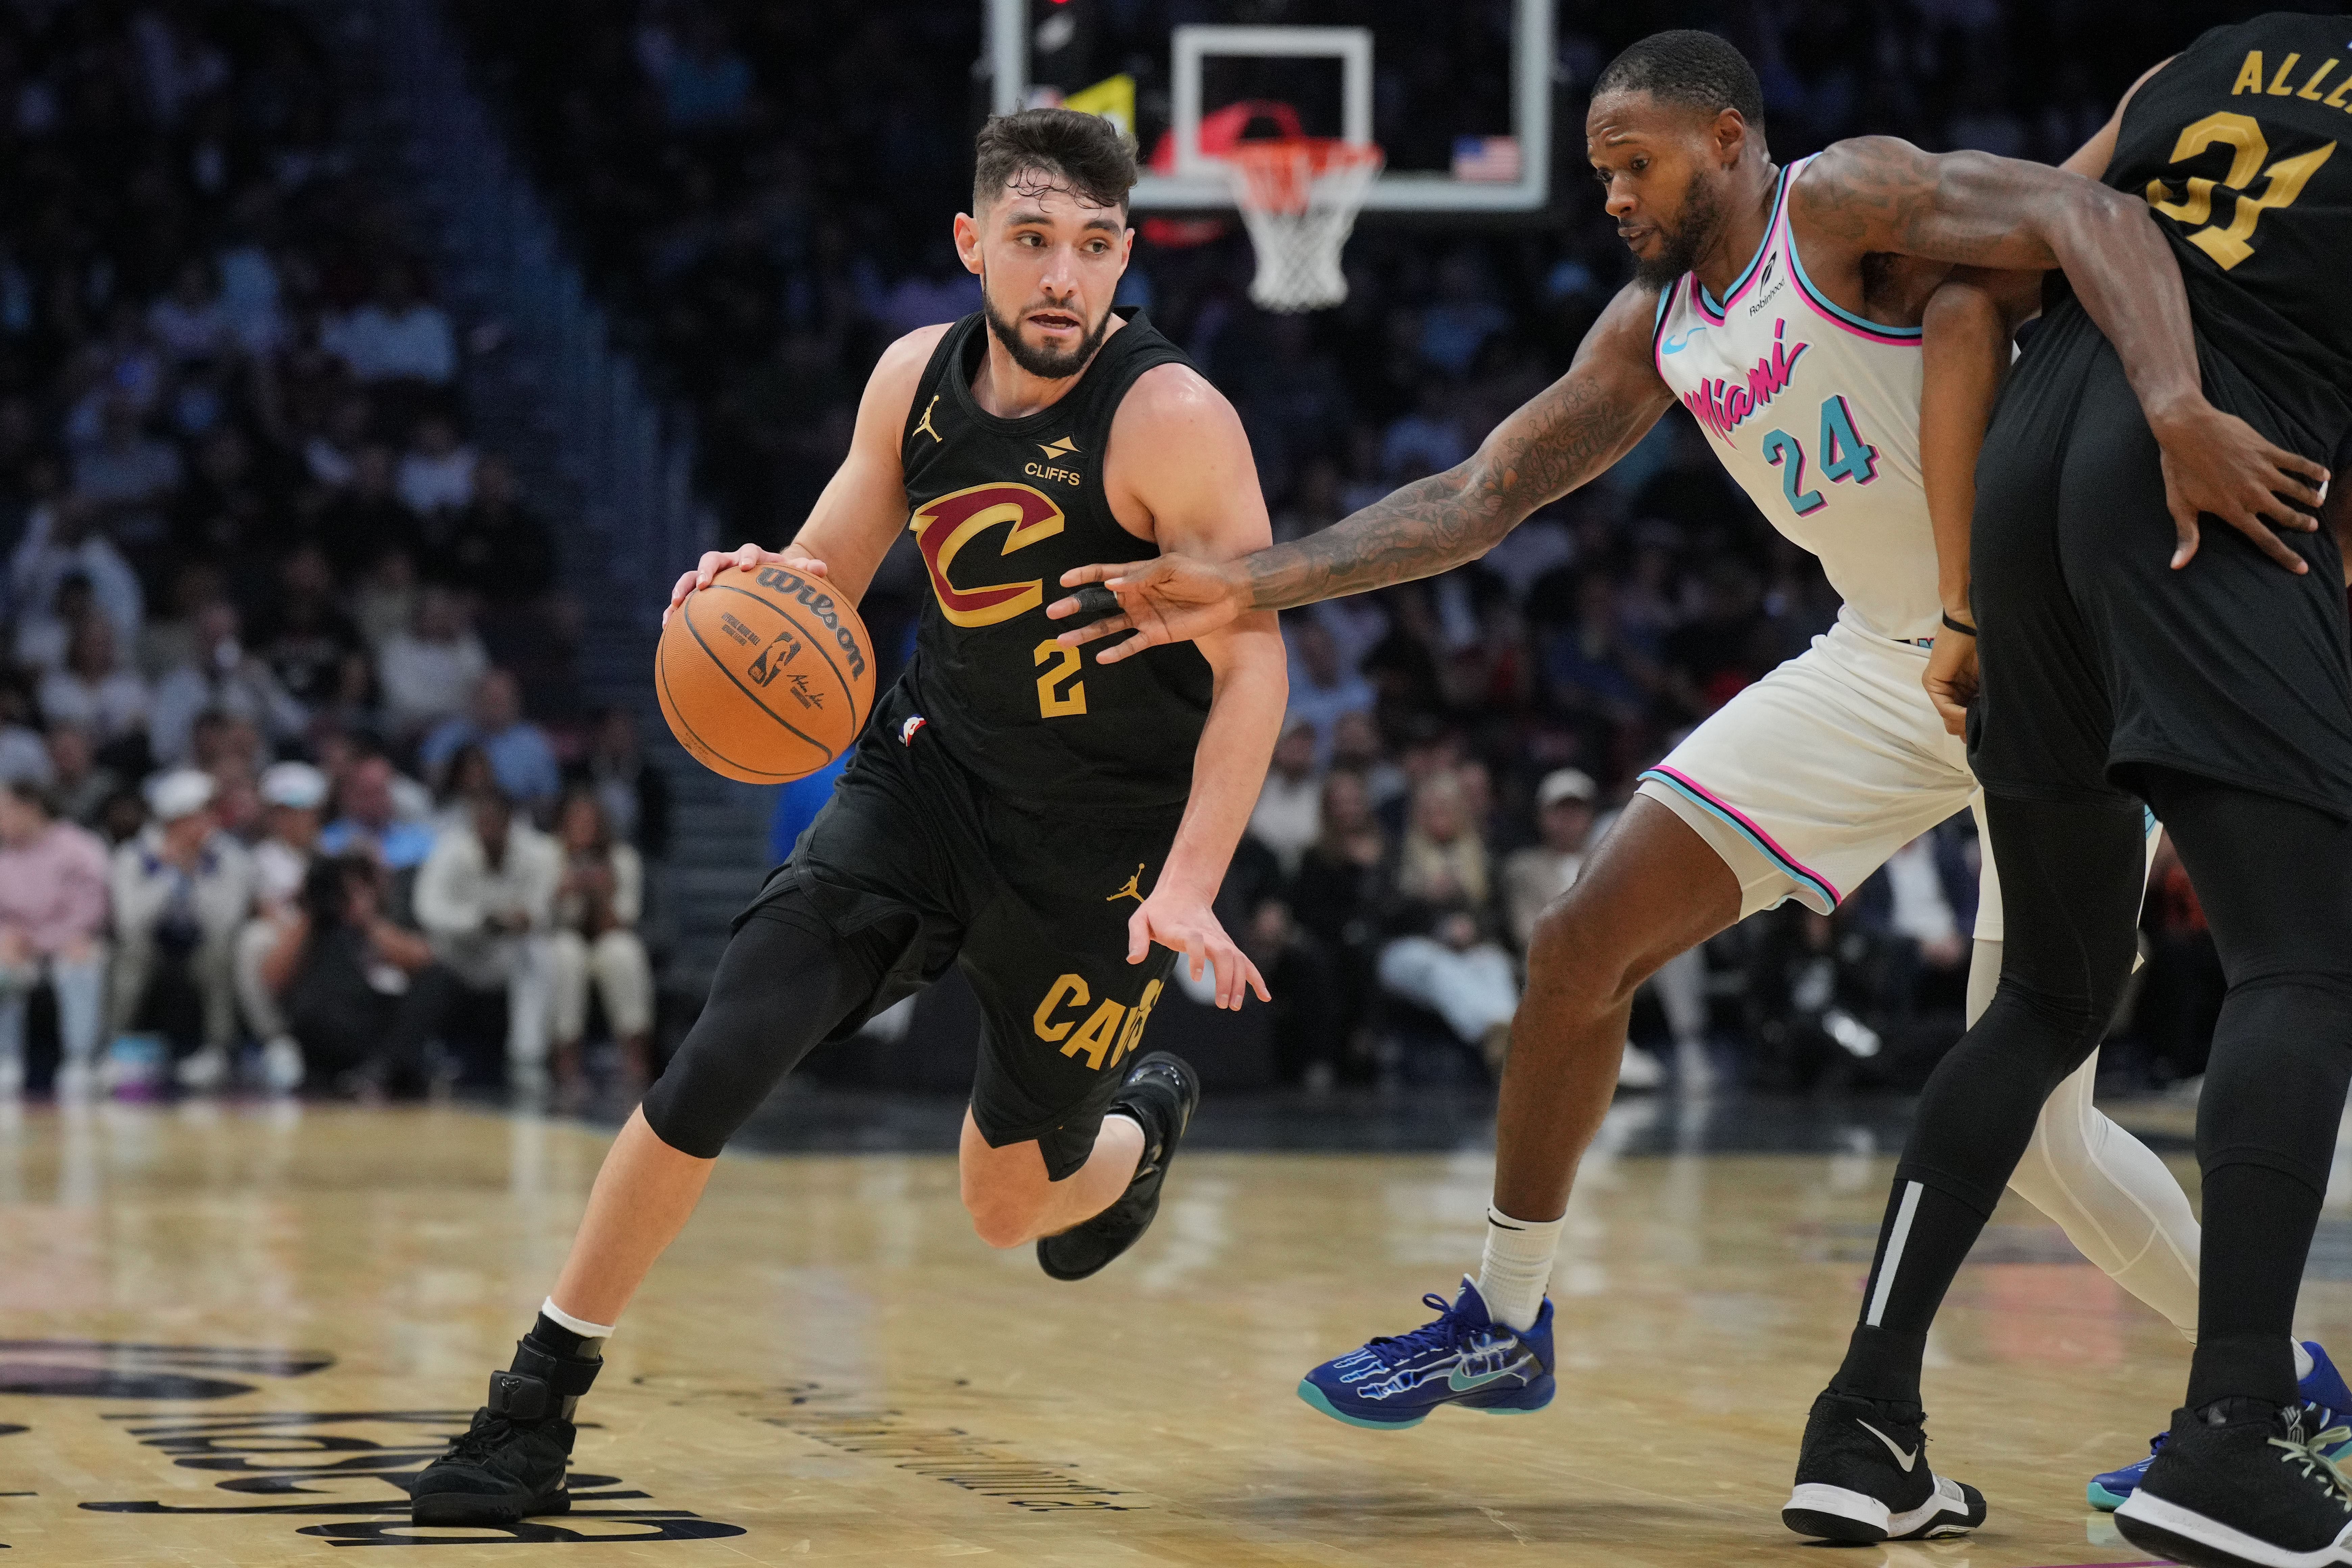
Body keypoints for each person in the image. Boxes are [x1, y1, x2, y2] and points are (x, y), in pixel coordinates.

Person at [1046, 27, 2322, 1519]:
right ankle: (1502, 1317)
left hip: (2044, 636)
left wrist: (2173, 404)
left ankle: (2284, 1394)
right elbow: (1481, 494)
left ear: (1728, 141)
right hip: (1876, 661)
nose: (1611, 197)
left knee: (2042, 1121)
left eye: (1631, 163)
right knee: (1581, 937)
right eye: (1597, 174)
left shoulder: (1842, 201)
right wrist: (1252, 583)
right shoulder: (1655, 325)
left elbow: (2093, 213)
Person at [409, 107, 1285, 1527]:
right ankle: (534, 1400)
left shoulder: (1169, 417)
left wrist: (1185, 885)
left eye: (1094, 246)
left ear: (1125, 253)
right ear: (972, 245)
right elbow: (827, 567)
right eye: (1032, 242)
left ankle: (1135, 1130)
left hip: (1100, 852)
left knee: (1008, 1204)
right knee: (726, 1040)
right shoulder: (911, 382)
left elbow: (1256, 661)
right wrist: (758, 583)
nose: (1064, 276)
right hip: (926, 784)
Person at [1785, 21, 2352, 1564]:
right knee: (2302, 958)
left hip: (2027, 466)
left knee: (2048, 989)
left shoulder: (2198, 65)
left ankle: (1865, 1423)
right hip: (2212, 468)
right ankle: (2235, 1433)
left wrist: (1968, 597)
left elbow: (1972, 291)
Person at [262, 851, 458, 1096]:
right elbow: (272, 979)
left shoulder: (379, 922)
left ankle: (383, 1069)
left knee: (438, 978)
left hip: (372, 1023)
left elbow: (424, 960)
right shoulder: (307, 927)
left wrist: (366, 920)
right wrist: (310, 913)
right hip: (324, 1022)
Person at [108, 769, 254, 1091]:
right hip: (152, 945)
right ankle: (113, 1048)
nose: (208, 822)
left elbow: (226, 923)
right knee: (130, 953)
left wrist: (195, 874)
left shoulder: (231, 858)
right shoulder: (132, 856)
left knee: (222, 952)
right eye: (200, 814)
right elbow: (129, 923)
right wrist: (166, 875)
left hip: (203, 946)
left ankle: (217, 1049)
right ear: (175, 820)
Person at [413, 787, 560, 1087]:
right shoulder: (450, 852)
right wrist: (481, 921)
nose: (489, 831)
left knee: (539, 955)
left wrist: (528, 917)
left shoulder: (537, 853)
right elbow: (428, 909)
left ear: (510, 824)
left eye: (496, 823)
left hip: (506, 958)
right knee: (427, 962)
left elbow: (544, 908)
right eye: (483, 823)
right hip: (458, 956)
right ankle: (425, 1059)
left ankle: (527, 1059)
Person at [0, 779, 110, 1095]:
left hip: (72, 940)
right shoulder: (4, 855)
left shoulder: (78, 848)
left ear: (30, 808)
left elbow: (91, 909)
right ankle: (7, 1059)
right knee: (3, 963)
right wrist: (8, 938)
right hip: (18, 946)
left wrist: (44, 940)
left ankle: (80, 1060)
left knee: (79, 962)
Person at [546, 788, 653, 1093]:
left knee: (625, 951)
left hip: (606, 939)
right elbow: (542, 918)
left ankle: (635, 1055)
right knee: (566, 954)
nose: (583, 828)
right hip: (562, 938)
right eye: (576, 820)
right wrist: (564, 889)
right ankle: (567, 1058)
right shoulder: (548, 855)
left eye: (590, 821)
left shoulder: (623, 858)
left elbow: (622, 920)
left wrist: (600, 893)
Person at [235, 761, 329, 1092]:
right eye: (287, 812)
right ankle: (277, 1040)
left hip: (330, 942)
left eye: (305, 811)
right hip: (288, 941)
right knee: (254, 940)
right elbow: (267, 909)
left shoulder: (334, 852)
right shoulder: (259, 859)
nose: (299, 820)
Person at [419, 669, 561, 818]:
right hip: (458, 816)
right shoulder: (451, 734)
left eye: (501, 699)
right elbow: (430, 780)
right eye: (489, 698)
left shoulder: (534, 742)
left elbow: (550, 796)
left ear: (515, 702)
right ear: (476, 700)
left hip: (517, 818)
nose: (494, 705)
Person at [1501, 768, 1598, 952]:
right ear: (1542, 816)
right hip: (1549, 969)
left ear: (1590, 817)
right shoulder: (1523, 868)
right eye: (1560, 810)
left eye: (1576, 811)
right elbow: (1528, 934)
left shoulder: (1609, 867)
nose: (1569, 819)